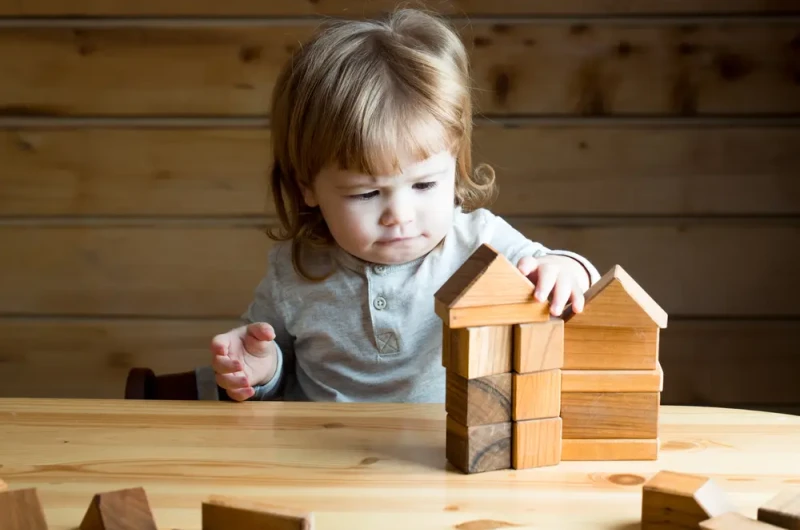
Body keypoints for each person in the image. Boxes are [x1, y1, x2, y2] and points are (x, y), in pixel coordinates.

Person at [201, 8, 601, 403]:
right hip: (320, 454)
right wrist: (260, 367)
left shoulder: (479, 241)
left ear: (454, 166)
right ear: (308, 189)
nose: (400, 215)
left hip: (443, 451)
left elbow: (555, 266)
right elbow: (272, 361)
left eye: (424, 184)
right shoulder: (293, 269)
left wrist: (567, 270)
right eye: (366, 193)